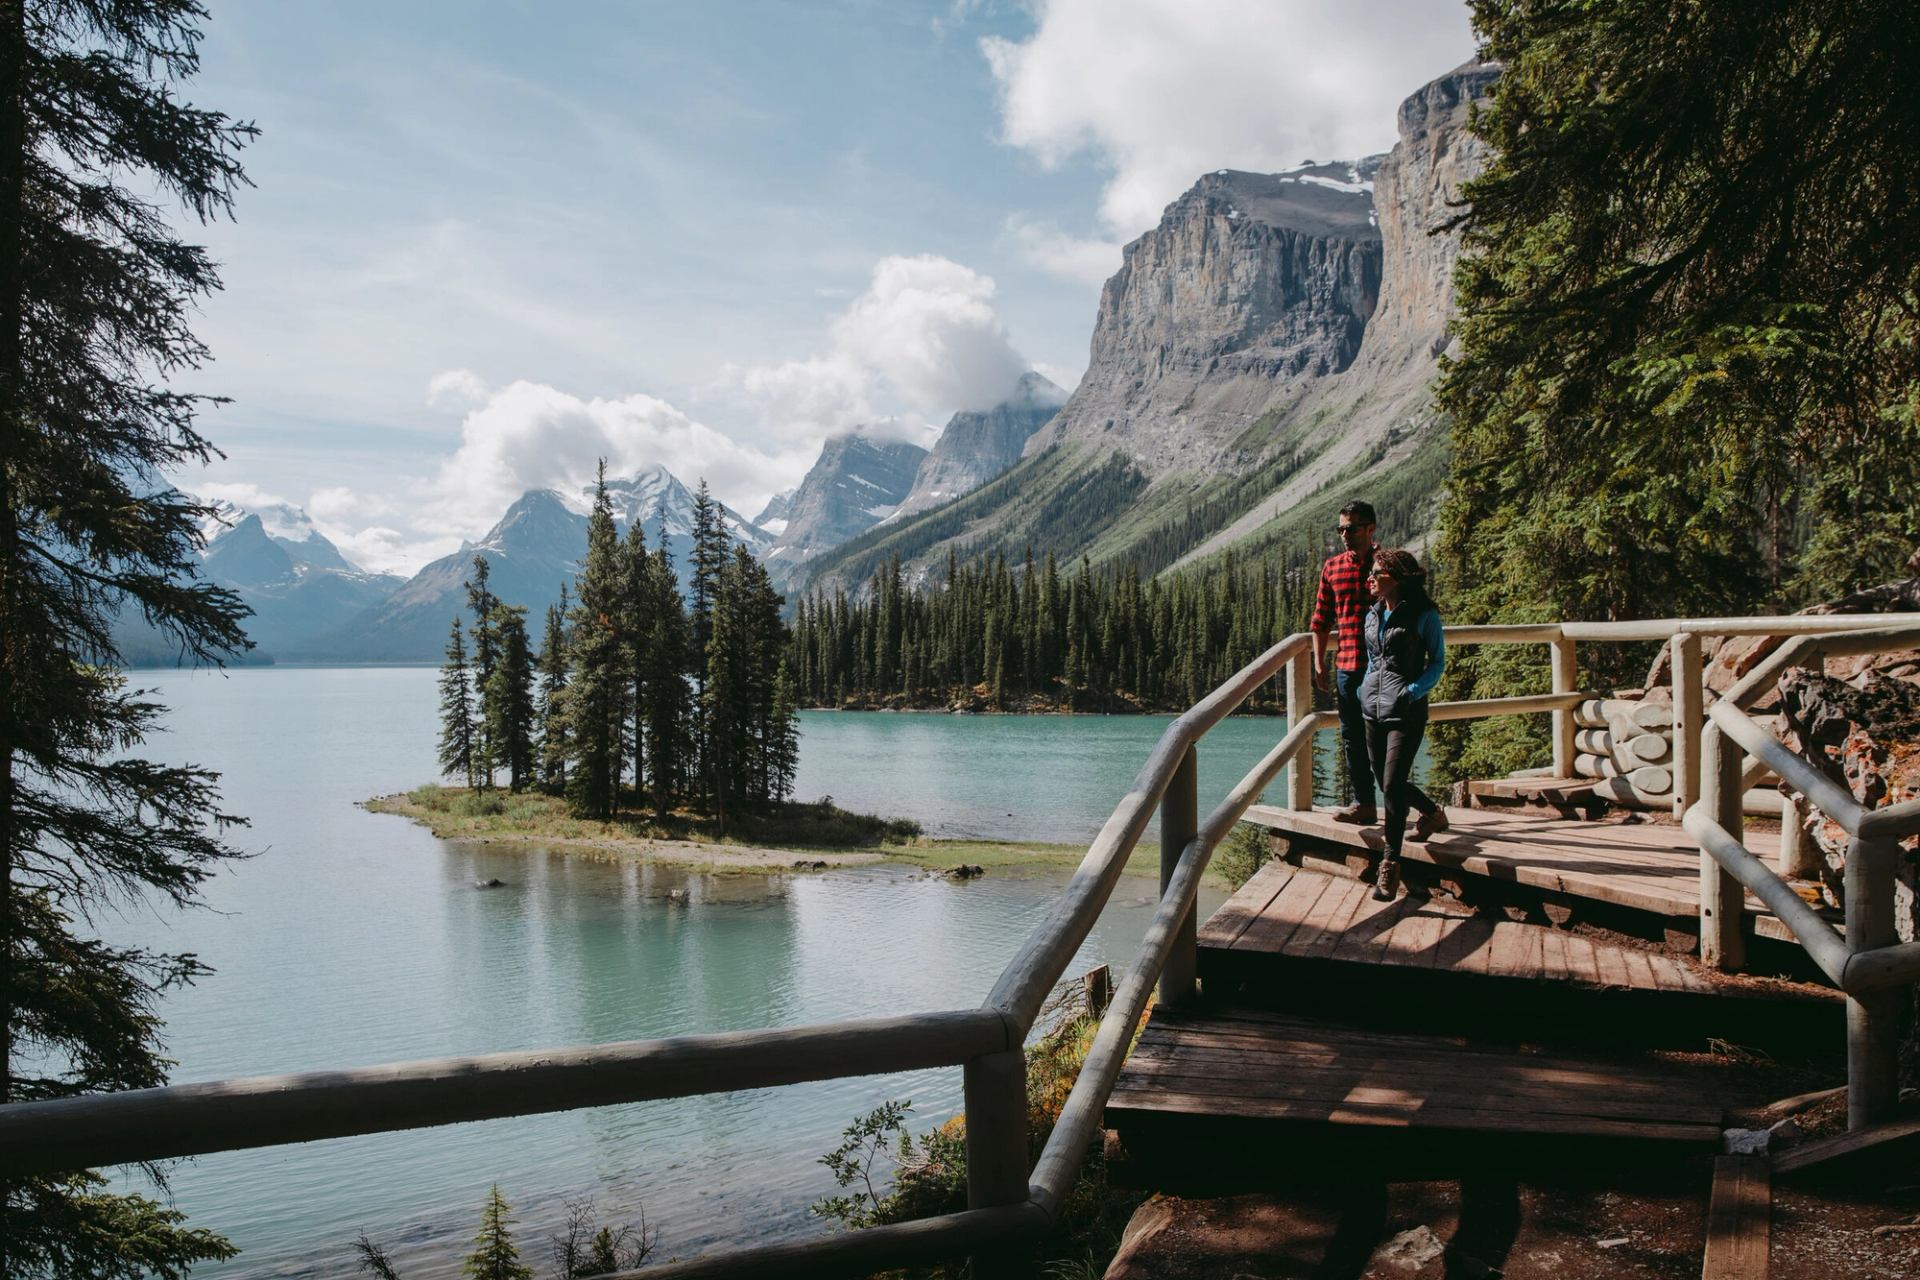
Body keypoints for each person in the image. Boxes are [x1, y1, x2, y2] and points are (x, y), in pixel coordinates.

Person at [1357, 547, 1449, 901]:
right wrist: (1366, 691)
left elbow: (1437, 663)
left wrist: (1411, 692)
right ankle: (1432, 813)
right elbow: (1373, 660)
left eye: (1376, 574)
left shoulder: (1424, 615)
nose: (1370, 579)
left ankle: (1390, 865)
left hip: (1405, 712)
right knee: (1385, 780)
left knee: (1393, 785)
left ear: (1396, 577)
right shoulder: (1373, 614)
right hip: (1372, 710)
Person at [1309, 500, 1380, 824]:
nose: (1344, 535)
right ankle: (1364, 804)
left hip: (1383, 669)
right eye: (1341, 529)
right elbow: (1320, 620)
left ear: (1370, 528)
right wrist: (1320, 663)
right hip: (1347, 667)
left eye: (1350, 528)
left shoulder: (1387, 564)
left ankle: (1405, 805)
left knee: (1384, 738)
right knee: (1352, 737)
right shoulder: (1333, 567)